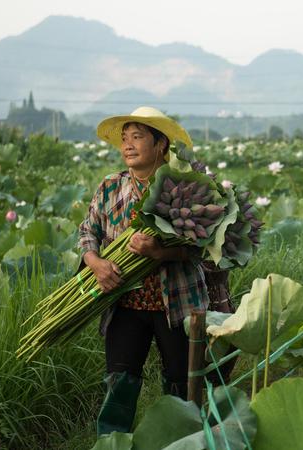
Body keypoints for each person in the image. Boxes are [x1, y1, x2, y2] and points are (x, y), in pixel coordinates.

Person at [77, 106, 209, 436]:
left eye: (137, 137)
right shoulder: (110, 187)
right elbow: (87, 233)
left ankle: (183, 441)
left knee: (182, 383)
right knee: (119, 382)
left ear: (161, 144)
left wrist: (159, 252)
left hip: (176, 303)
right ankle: (112, 443)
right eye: (124, 139)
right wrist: (96, 263)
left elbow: (201, 249)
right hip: (124, 303)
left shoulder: (183, 189)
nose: (128, 146)